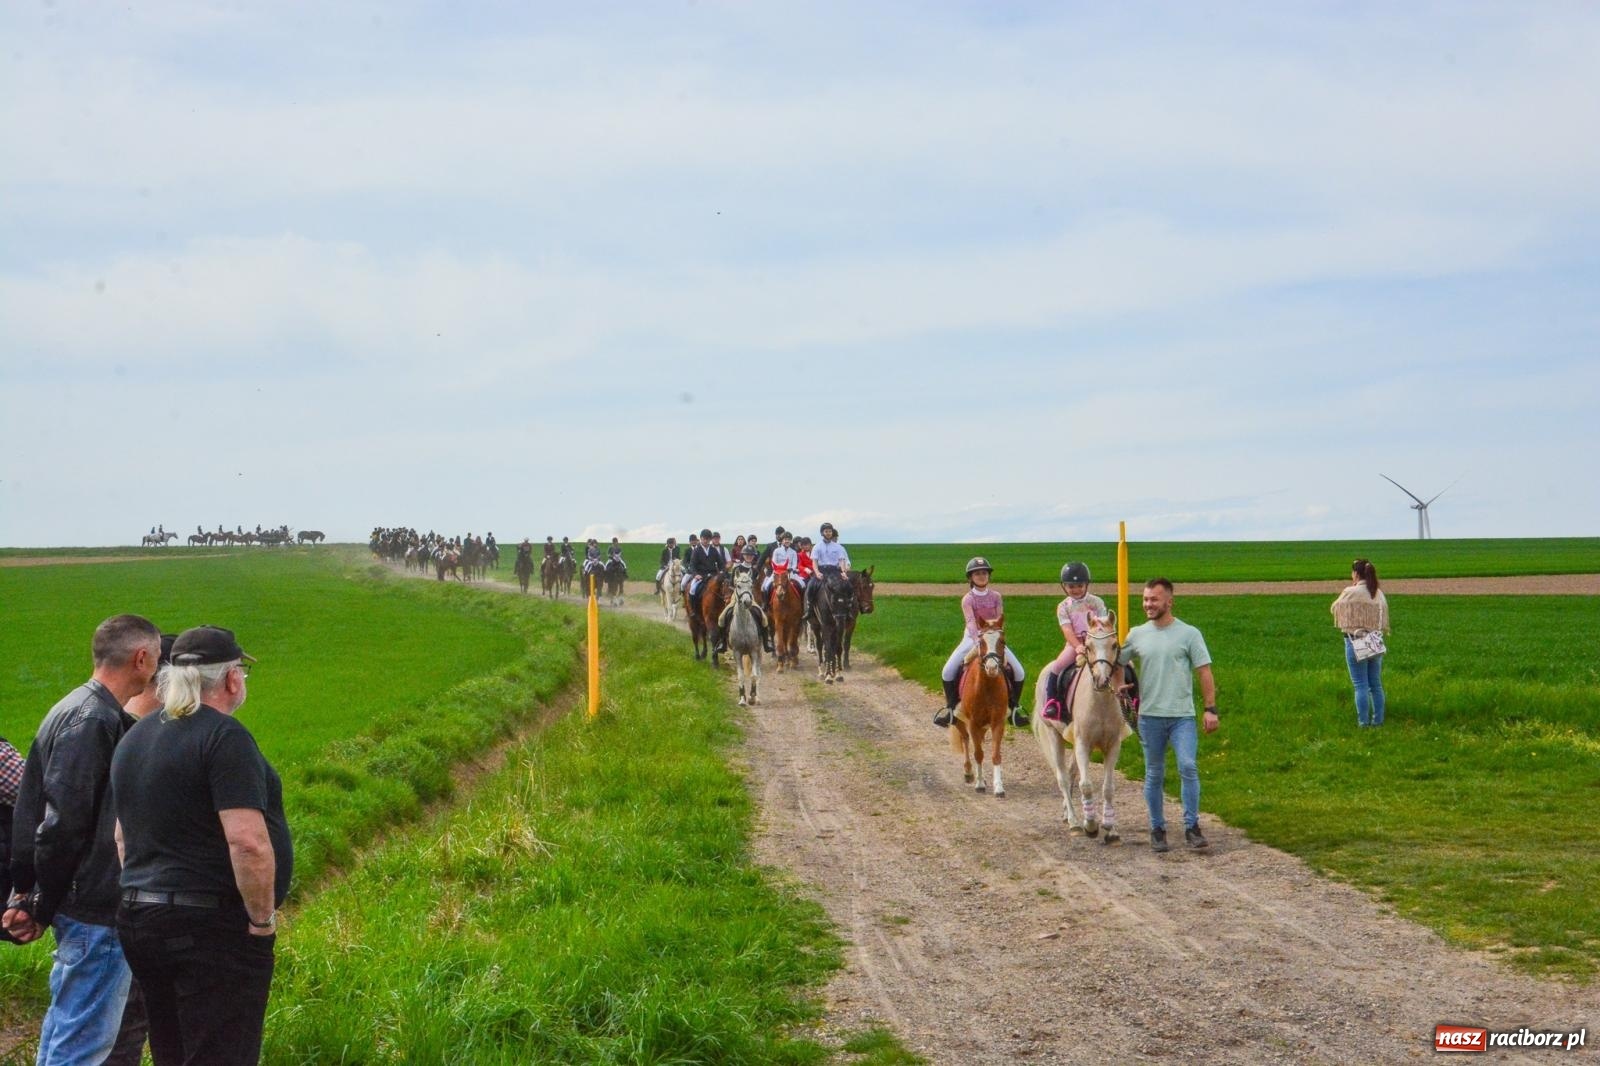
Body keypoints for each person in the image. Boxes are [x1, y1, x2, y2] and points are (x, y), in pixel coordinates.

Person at [112, 625, 289, 1066]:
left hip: (139, 918)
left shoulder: (136, 737)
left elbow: (121, 838)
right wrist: (261, 921)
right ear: (231, 679)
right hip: (209, 929)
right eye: (243, 674)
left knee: (171, 1049)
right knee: (221, 1052)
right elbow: (248, 842)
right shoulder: (225, 738)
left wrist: (146, 897)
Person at [4, 615, 162, 1065]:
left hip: (80, 904)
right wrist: (40, 901)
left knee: (64, 1032)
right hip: (94, 908)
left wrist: (35, 895)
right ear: (141, 658)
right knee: (83, 1046)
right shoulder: (94, 719)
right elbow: (61, 825)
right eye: (154, 662)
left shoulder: (76, 706)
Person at [103, 634, 174, 1066]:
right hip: (120, 904)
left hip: (120, 901)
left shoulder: (111, 723)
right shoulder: (130, 736)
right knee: (119, 1027)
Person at [1118, 579, 1218, 852]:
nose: (1148, 604)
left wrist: (1210, 709)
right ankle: (1157, 828)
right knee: (1154, 773)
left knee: (1188, 766)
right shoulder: (1136, 634)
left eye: (1154, 599)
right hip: (1149, 717)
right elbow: (1117, 661)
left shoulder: (1189, 634)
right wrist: (1119, 686)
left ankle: (1191, 826)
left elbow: (1204, 671)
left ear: (1169, 602)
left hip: (1181, 717)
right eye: (1146, 599)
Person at [933, 558, 1027, 729]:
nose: (981, 576)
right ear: (970, 577)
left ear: (989, 575)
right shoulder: (967, 599)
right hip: (972, 638)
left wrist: (996, 638)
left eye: (984, 573)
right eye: (977, 573)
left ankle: (1014, 708)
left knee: (1019, 671)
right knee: (947, 670)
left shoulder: (996, 597)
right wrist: (978, 642)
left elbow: (1000, 620)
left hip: (993, 639)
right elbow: (970, 622)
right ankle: (951, 710)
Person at [1039, 562, 1109, 723]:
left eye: (1079, 585)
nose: (1076, 589)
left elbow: (1103, 625)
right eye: (1071, 586)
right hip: (1074, 644)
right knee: (1056, 667)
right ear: (1064, 587)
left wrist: (1095, 643)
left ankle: (1131, 700)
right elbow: (1067, 630)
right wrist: (1078, 646)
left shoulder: (1096, 602)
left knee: (1124, 665)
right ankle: (1053, 702)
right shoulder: (1063, 606)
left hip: (1096, 643)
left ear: (1086, 584)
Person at [1332, 559, 1390, 727]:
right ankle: (1378, 721)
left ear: (1356, 574)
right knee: (1376, 684)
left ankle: (1363, 723)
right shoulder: (1377, 592)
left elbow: (1336, 608)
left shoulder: (1351, 591)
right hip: (1374, 639)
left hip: (1355, 639)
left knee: (1360, 686)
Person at [718, 544, 773, 654]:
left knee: (764, 618)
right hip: (736, 596)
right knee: (722, 617)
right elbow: (731, 585)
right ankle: (722, 643)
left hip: (750, 597)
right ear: (743, 555)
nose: (749, 557)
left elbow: (757, 585)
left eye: (751, 555)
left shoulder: (755, 570)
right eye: (747, 555)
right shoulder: (737, 568)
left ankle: (766, 643)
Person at [761, 530, 802, 595]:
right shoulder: (776, 551)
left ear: (791, 541)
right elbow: (773, 562)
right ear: (782, 541)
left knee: (803, 585)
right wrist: (779, 569)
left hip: (789, 573)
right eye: (785, 539)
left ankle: (802, 603)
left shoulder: (793, 552)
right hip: (778, 573)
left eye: (789, 539)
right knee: (765, 586)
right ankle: (766, 604)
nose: (787, 541)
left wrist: (791, 569)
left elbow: (794, 564)